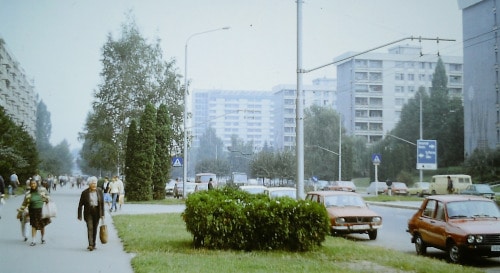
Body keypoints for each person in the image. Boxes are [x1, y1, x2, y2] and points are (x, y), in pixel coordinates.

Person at [17, 178, 51, 246]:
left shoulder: (42, 190)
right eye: (31, 184)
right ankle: (33, 240)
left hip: (41, 210)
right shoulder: (28, 194)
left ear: (37, 184)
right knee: (33, 225)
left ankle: (42, 238)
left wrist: (45, 197)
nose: (33, 185)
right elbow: (24, 204)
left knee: (42, 225)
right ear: (30, 185)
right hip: (32, 211)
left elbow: (49, 198)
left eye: (34, 183)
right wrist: (19, 213)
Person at [77, 176, 105, 251]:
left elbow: (102, 204)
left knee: (95, 227)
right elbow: (80, 205)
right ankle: (90, 244)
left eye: (95, 184)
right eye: (92, 184)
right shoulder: (84, 193)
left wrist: (102, 214)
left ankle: (94, 243)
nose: (94, 185)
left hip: (97, 211)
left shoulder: (99, 191)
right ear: (89, 184)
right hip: (88, 212)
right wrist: (79, 215)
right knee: (90, 227)